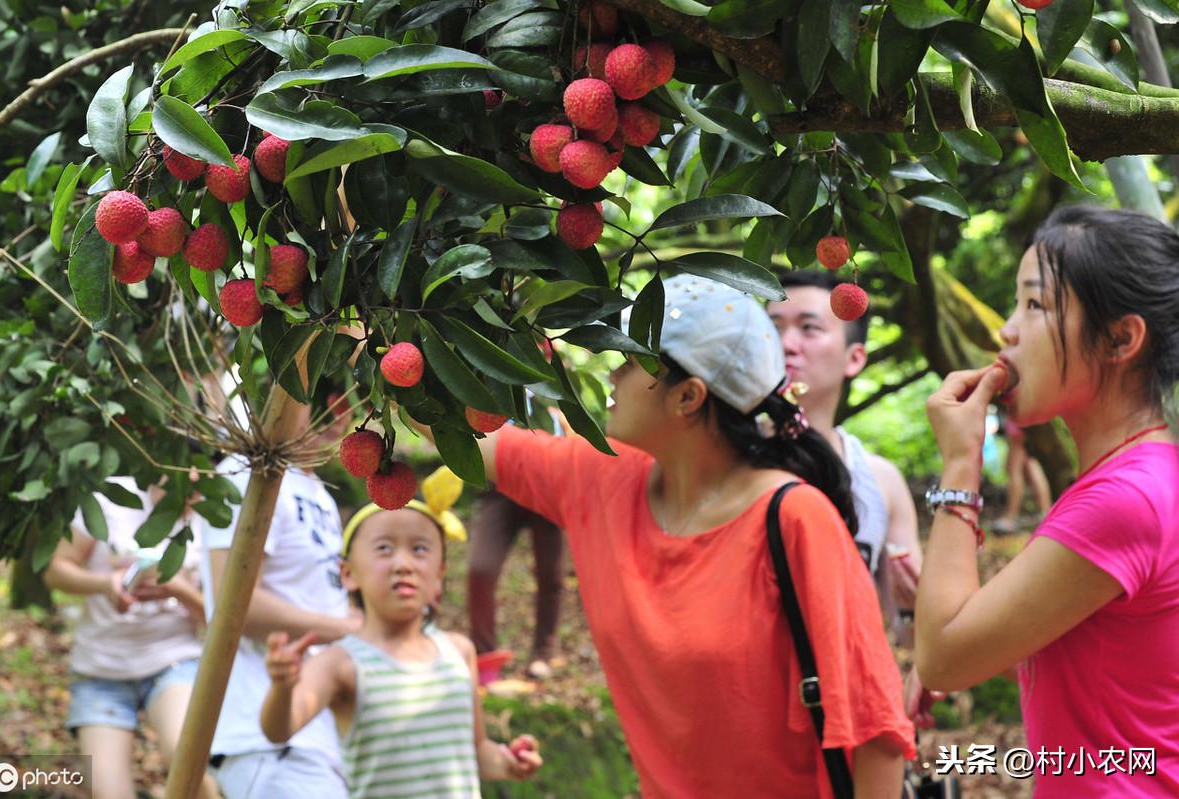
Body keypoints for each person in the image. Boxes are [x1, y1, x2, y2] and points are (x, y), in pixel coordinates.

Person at [419, 275, 915, 797]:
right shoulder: (604, 475)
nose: (612, 372)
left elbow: (875, 732)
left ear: (687, 397)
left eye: (630, 359)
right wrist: (370, 328)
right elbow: (465, 433)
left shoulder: (795, 520)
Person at [917, 205, 1179, 797]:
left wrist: (960, 465)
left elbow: (941, 658)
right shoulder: (1136, 476)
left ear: (1120, 339)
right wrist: (975, 640)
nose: (1007, 330)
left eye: (1034, 305)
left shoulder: (1125, 499)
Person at [260, 466, 543, 796]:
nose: (403, 564)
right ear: (348, 573)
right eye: (384, 549)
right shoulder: (342, 663)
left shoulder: (459, 651)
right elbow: (278, 730)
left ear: (439, 574)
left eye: (420, 549)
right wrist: (282, 687)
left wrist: (507, 761)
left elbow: (476, 749)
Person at [194, 399, 360, 799]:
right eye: (322, 392)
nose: (334, 411)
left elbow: (322, 598)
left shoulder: (318, 491)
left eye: (348, 400)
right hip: (266, 742)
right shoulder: (248, 479)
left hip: (318, 729)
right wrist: (354, 632)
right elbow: (234, 606)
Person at [768, 270, 924, 630]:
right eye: (773, 326)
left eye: (809, 328)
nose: (786, 343)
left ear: (854, 359)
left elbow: (908, 635)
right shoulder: (722, 456)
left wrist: (915, 609)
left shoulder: (880, 483)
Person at [45, 477, 218, 799]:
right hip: (101, 670)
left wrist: (179, 590)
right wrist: (105, 584)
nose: (194, 480)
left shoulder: (216, 516)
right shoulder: (109, 500)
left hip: (175, 658)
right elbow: (56, 569)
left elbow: (222, 621)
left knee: (190, 762)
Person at [467, 490, 566, 679]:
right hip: (502, 486)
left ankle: (543, 654)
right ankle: (485, 655)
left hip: (544, 487)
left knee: (551, 576)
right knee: (480, 570)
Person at [991, 414, 1053, 533]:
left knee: (1014, 469)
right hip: (1027, 424)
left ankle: (1010, 517)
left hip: (1019, 423)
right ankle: (1047, 513)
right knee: (1031, 465)